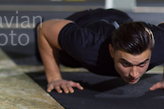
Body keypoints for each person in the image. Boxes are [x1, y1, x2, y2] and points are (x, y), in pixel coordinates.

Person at [36, 8, 164, 94]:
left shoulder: (158, 43)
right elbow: (44, 28)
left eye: (142, 64)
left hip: (119, 16)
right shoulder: (86, 45)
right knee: (42, 53)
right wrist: (54, 77)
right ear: (112, 51)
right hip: (85, 19)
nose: (134, 74)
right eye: (126, 64)